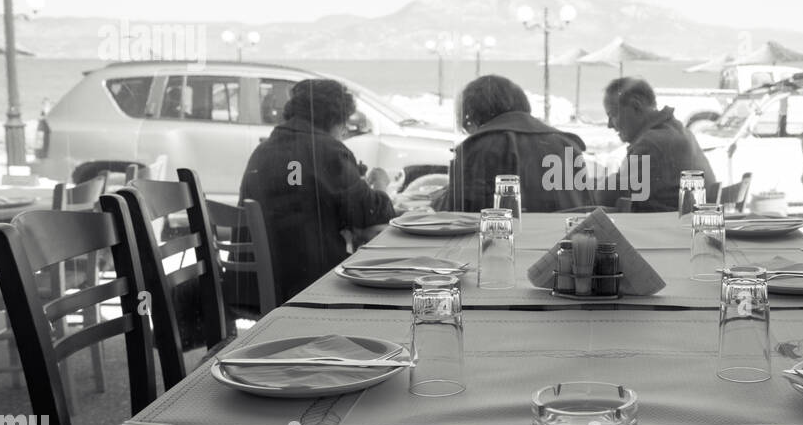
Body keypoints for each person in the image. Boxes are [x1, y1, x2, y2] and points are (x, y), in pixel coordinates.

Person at [239, 78, 395, 300]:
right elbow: (370, 213)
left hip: (253, 284)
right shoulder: (327, 150)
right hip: (308, 284)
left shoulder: (263, 150)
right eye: (345, 125)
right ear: (336, 119)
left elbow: (301, 196)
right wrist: (381, 183)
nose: (344, 132)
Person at [431, 75, 589, 213]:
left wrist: (436, 198)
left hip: (508, 242)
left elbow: (455, 211)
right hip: (564, 242)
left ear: (471, 113)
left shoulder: (481, 146)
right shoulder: (568, 144)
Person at [599, 77, 716, 212]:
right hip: (692, 226)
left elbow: (606, 197)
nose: (609, 125)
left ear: (636, 106)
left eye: (612, 114)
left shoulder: (651, 143)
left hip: (672, 230)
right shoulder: (680, 132)